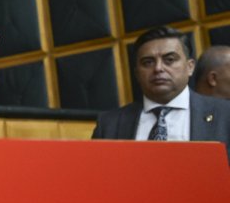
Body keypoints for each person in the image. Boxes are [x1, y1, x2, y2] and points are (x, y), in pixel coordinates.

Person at [92, 27, 230, 162]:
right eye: (148, 62)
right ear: (137, 73)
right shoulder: (109, 124)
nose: (158, 68)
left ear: (190, 67)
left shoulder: (225, 114)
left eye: (169, 60)